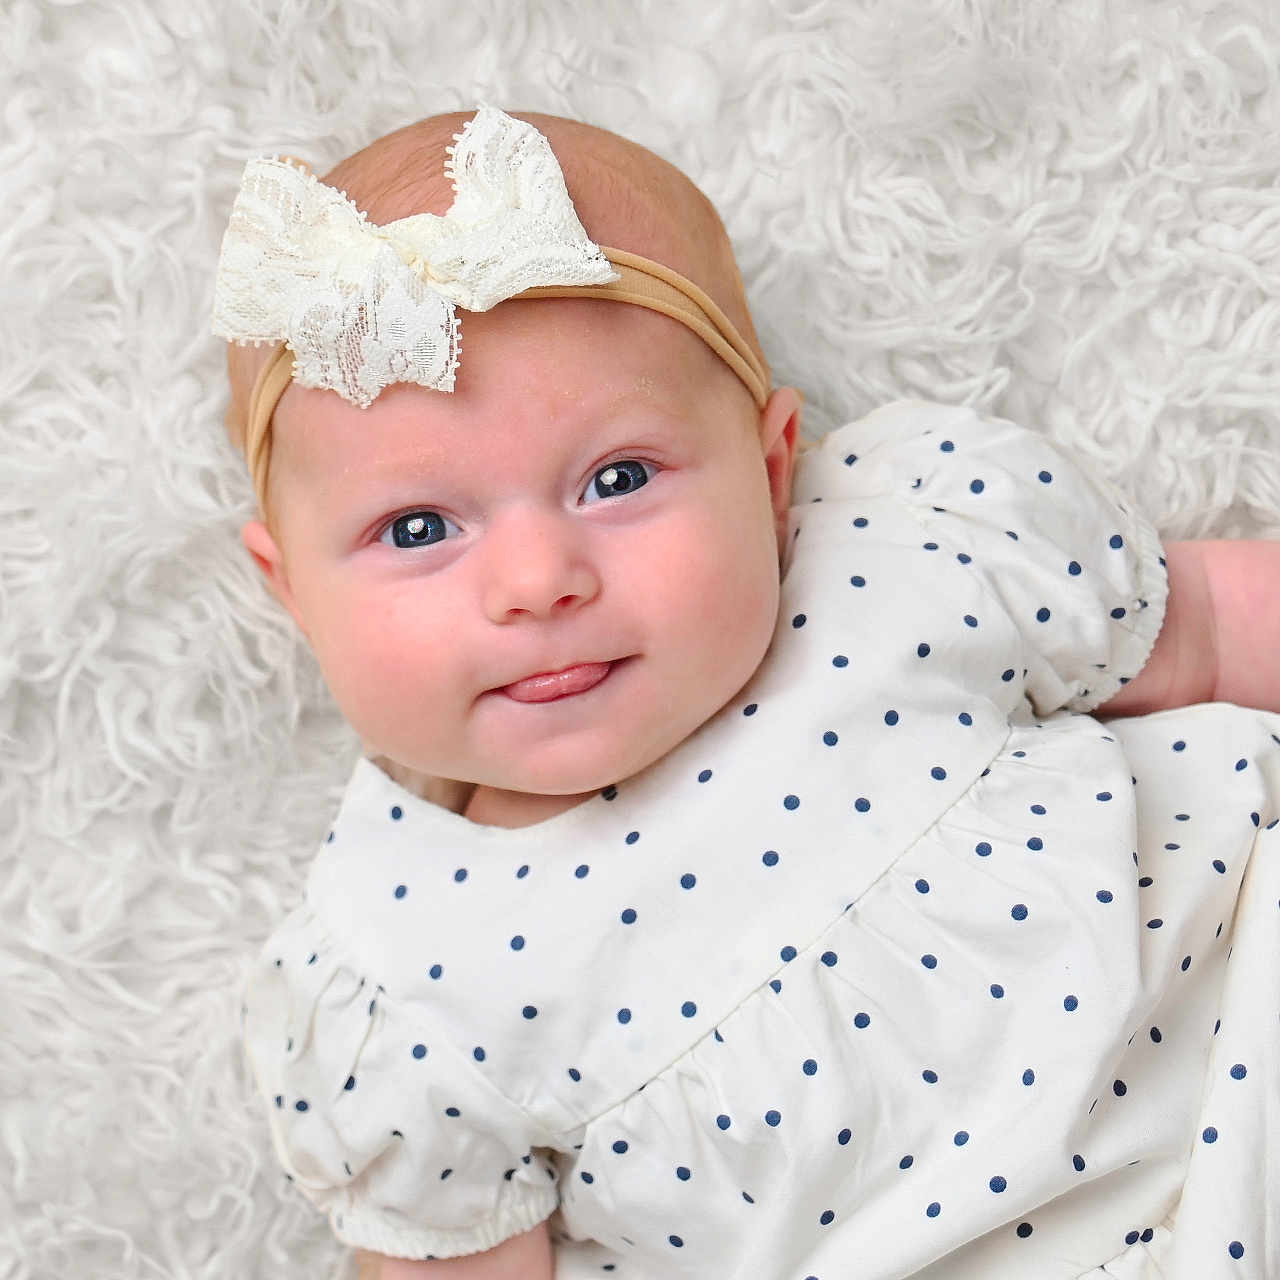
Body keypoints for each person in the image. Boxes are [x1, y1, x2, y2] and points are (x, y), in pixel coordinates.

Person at [214, 106, 1280, 1279]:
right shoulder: (396, 983)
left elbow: (1217, 622)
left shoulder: (903, 550)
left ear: (772, 470)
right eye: (417, 527)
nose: (537, 581)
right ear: (293, 590)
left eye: (616, 478)